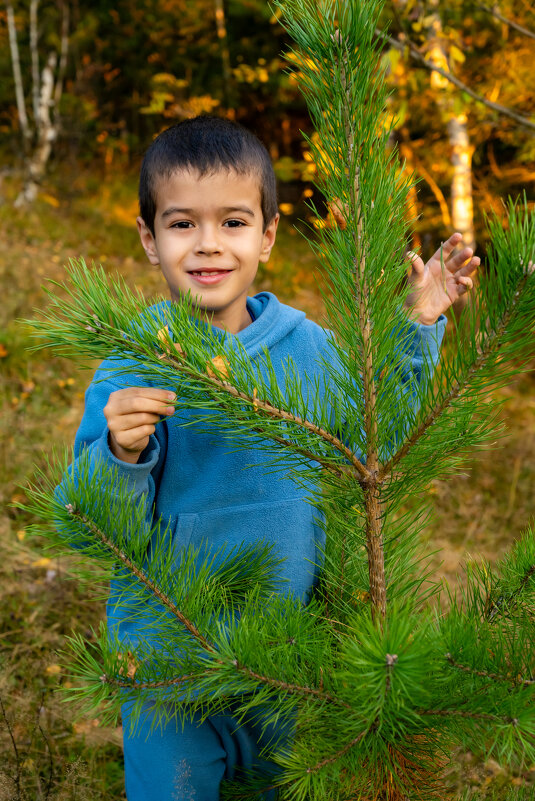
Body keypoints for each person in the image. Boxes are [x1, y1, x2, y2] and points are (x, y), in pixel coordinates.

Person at [70, 115, 479, 800]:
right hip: (171, 666)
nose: (208, 243)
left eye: (232, 222)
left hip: (292, 655)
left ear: (266, 235)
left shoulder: (308, 348)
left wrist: (416, 327)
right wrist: (118, 451)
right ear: (148, 238)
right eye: (181, 223)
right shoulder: (132, 365)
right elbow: (91, 526)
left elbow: (374, 445)